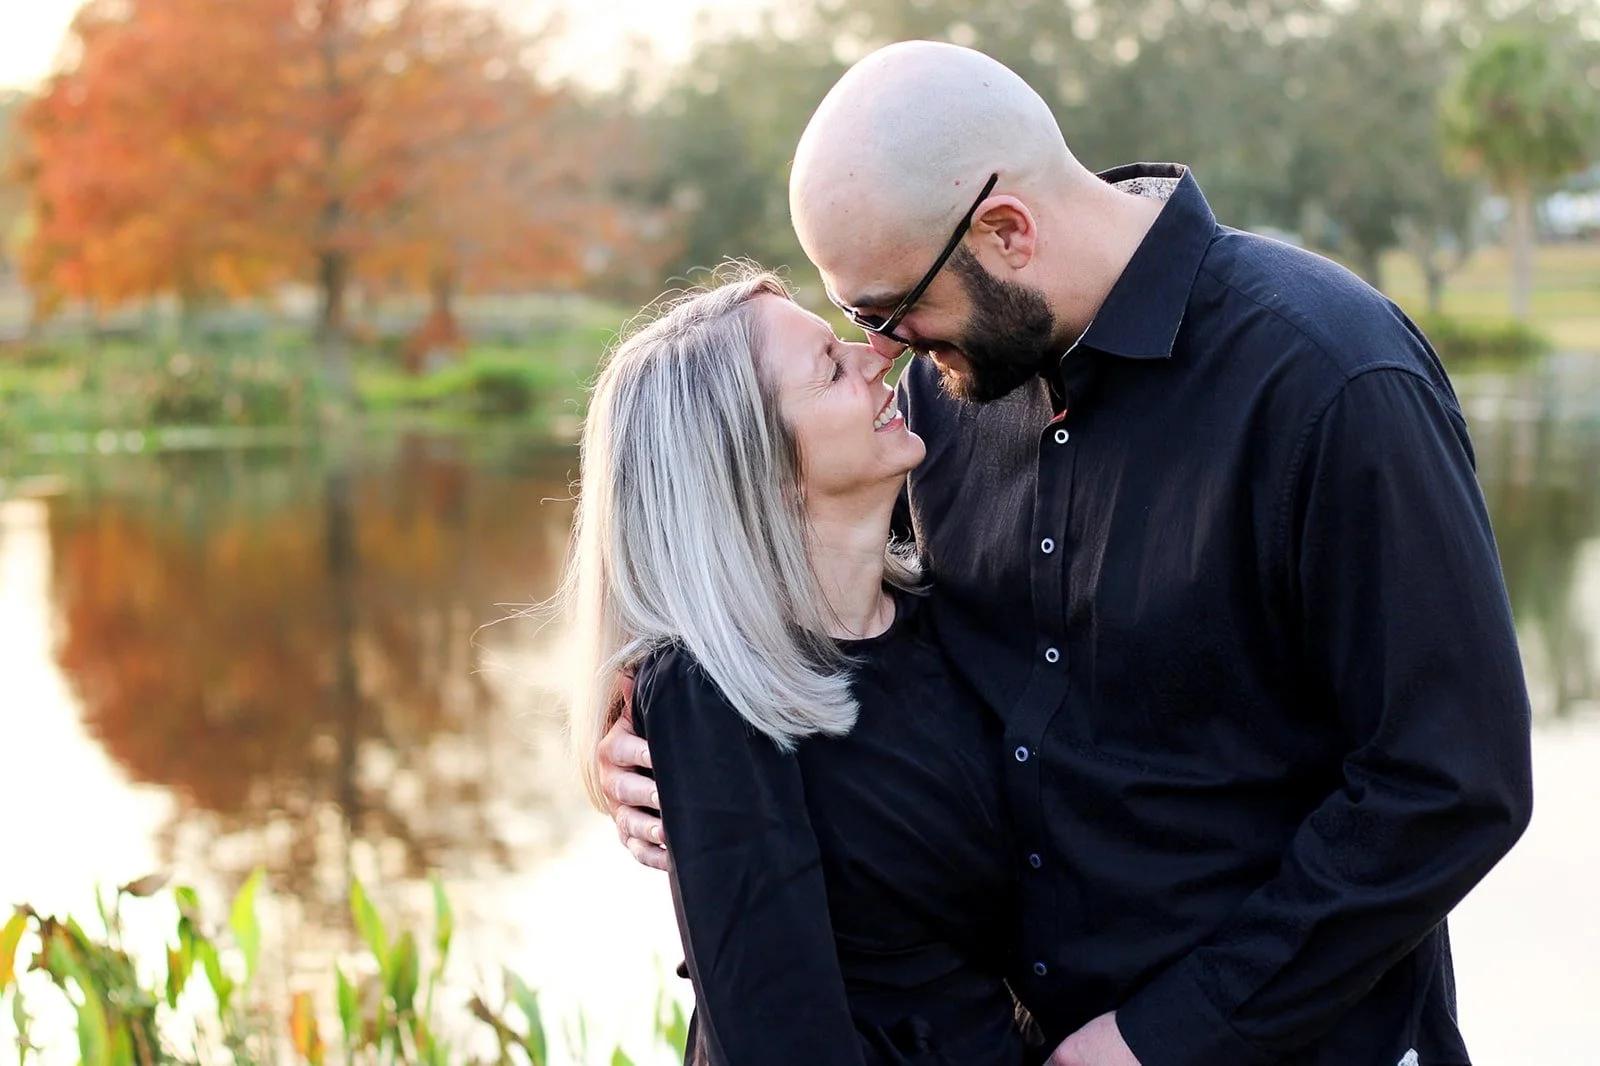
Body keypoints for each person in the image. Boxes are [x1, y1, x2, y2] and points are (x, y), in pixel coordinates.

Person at [598, 41, 1535, 1066]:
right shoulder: (944, 395)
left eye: (889, 307)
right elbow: (841, 647)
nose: (885, 347)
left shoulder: (1328, 380)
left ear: (1005, 231)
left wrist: (1162, 1037)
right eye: (859, 319)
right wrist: (658, 759)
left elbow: (1449, 782)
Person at [562, 268, 1039, 1065]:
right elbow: (777, 1035)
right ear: (765, 470)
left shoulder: (941, 611)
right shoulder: (708, 694)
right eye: (829, 365)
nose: (875, 357)